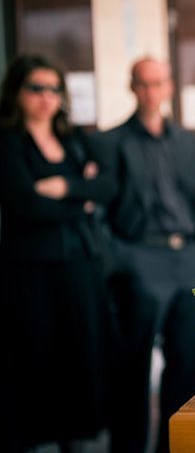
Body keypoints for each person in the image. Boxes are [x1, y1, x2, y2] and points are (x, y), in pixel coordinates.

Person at [0, 55, 116, 452]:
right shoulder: (8, 142)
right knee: (38, 354)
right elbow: (25, 204)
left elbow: (106, 187)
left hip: (81, 261)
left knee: (82, 352)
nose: (46, 97)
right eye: (36, 88)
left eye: (53, 89)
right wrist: (79, 197)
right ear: (17, 92)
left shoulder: (72, 139)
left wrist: (65, 189)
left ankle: (79, 438)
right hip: (32, 267)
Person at [99, 57, 195, 453]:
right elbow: (102, 210)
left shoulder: (185, 139)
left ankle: (173, 447)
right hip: (139, 257)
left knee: (184, 371)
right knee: (132, 369)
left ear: (169, 87)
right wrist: (120, 259)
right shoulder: (111, 141)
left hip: (187, 260)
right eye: (144, 84)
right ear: (133, 88)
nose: (151, 91)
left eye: (158, 82)